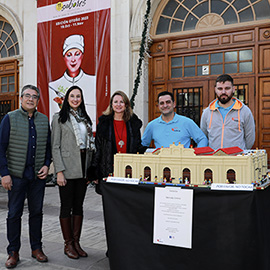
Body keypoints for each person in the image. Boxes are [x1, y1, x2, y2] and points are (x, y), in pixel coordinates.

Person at [0, 85, 51, 268]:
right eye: (27, 96)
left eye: (34, 96)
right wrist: (4, 173)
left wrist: (46, 164)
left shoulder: (44, 120)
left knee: (36, 213)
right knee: (14, 214)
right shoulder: (10, 118)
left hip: (37, 176)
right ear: (21, 98)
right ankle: (13, 251)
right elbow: (1, 147)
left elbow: (48, 147)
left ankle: (36, 248)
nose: (30, 99)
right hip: (16, 176)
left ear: (38, 100)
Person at [51, 85, 95, 259]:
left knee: (79, 206)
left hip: (83, 166)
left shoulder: (85, 118)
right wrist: (59, 171)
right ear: (67, 98)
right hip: (67, 168)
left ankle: (76, 242)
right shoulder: (59, 118)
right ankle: (67, 243)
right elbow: (55, 146)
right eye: (72, 96)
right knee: (66, 206)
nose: (76, 99)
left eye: (78, 96)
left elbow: (89, 144)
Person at [93, 90, 144, 189]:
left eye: (121, 102)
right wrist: (95, 171)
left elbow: (137, 146)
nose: (118, 104)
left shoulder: (133, 124)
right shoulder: (104, 124)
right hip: (108, 169)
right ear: (111, 105)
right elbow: (98, 149)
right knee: (110, 202)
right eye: (115, 102)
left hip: (129, 170)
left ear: (126, 105)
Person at [49, 34, 96, 129]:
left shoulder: (93, 81)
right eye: (69, 55)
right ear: (64, 57)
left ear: (82, 56)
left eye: (77, 54)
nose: (73, 60)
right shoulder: (53, 86)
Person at [200, 74, 255, 150]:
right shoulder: (207, 112)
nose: (223, 92)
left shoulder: (244, 111)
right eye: (220, 89)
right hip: (214, 158)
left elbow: (250, 139)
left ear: (233, 89)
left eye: (227, 88)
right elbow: (204, 136)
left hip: (236, 159)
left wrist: (240, 152)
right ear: (215, 90)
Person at [141, 91, 208, 149]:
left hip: (182, 162)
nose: (165, 105)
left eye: (168, 102)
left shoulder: (187, 122)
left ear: (174, 104)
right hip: (161, 163)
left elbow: (202, 139)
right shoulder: (151, 126)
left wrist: (196, 156)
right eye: (161, 103)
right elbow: (143, 145)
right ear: (158, 106)